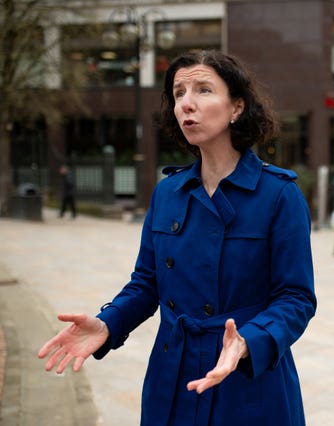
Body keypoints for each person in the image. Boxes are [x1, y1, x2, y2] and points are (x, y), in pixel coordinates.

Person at [38, 50, 317, 425]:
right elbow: (146, 283)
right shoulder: (168, 193)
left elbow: (296, 298)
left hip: (246, 380)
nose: (187, 103)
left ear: (236, 107)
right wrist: (108, 324)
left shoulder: (279, 195)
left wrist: (249, 341)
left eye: (203, 90)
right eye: (178, 93)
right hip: (173, 375)